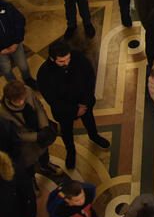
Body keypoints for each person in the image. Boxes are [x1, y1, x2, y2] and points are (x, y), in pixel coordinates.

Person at [36, 40, 110, 170]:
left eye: (68, 59)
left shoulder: (78, 58)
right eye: (62, 61)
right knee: (66, 132)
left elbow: (90, 78)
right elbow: (52, 100)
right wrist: (75, 110)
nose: (67, 63)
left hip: (84, 103)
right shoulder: (44, 74)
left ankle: (94, 136)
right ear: (52, 59)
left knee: (90, 121)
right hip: (64, 112)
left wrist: (84, 103)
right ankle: (71, 152)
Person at [0, 0, 33, 86]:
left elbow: (20, 21)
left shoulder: (7, 6)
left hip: (15, 43)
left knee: (23, 64)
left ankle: (27, 79)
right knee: (6, 69)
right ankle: (14, 85)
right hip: (1, 51)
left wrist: (16, 42)